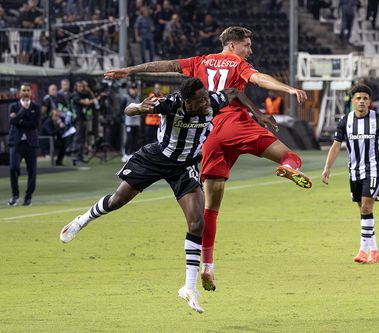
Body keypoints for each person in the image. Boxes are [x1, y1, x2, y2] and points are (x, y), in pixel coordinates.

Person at [104, 26, 311, 292]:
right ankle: (287, 168)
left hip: (209, 135)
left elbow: (166, 65)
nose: (250, 50)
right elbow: (259, 79)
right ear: (234, 45)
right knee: (289, 155)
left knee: (210, 210)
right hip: (235, 124)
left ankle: (208, 267)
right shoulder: (238, 63)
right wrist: (288, 89)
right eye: (247, 45)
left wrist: (130, 70)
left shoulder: (199, 61)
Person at [59, 78, 275, 313]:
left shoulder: (213, 100)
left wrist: (258, 114)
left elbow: (233, 91)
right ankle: (83, 220)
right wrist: (139, 107)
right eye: (200, 100)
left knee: (196, 222)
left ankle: (189, 288)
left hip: (184, 166)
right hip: (156, 158)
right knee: (117, 200)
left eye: (206, 97)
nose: (206, 103)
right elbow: (129, 110)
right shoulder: (170, 104)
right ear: (187, 102)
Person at [322, 84, 379, 263]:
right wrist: (327, 168)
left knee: (366, 208)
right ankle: (375, 250)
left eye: (365, 98)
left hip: (373, 169)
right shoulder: (345, 121)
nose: (362, 101)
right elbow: (335, 146)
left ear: (370, 101)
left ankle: (363, 251)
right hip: (354, 171)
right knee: (364, 211)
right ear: (353, 101)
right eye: (358, 98)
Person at [7, 83, 41, 207]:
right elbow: (12, 121)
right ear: (20, 92)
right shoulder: (14, 106)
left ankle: (28, 197)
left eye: (28, 90)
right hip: (16, 142)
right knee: (13, 168)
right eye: (23, 90)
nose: (26, 92)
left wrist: (20, 121)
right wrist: (24, 111)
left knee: (32, 171)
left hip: (31, 143)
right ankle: (15, 195)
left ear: (31, 93)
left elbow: (35, 124)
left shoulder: (36, 107)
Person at [121, 83, 141, 161]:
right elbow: (121, 108)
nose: (134, 90)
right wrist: (123, 118)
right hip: (129, 121)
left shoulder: (138, 97)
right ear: (129, 90)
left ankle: (131, 153)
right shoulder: (126, 98)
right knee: (129, 138)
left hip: (136, 122)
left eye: (135, 88)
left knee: (135, 138)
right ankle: (126, 153)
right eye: (132, 89)